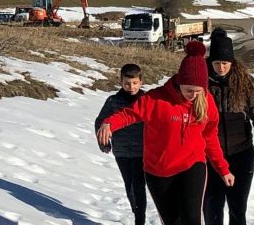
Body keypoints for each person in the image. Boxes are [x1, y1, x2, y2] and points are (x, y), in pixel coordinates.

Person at [99, 41, 234, 225]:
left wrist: (223, 168)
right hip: (158, 169)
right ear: (180, 82)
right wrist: (109, 124)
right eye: (189, 90)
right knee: (173, 221)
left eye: (198, 91)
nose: (193, 95)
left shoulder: (206, 102)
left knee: (191, 219)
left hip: (192, 164)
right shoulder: (156, 99)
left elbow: (210, 137)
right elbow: (128, 115)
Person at [202, 30, 254, 225]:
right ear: (210, 62)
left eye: (225, 63)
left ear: (232, 62)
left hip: (241, 155)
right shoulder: (202, 84)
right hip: (210, 156)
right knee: (212, 208)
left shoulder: (246, 82)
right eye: (217, 63)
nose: (221, 67)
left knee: (238, 208)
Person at [94, 64, 149, 224]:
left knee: (139, 186)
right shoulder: (113, 101)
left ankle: (140, 218)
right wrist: (104, 142)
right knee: (129, 185)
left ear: (141, 82)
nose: (131, 87)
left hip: (142, 151)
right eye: (126, 83)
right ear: (121, 82)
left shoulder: (147, 100)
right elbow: (100, 121)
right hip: (122, 151)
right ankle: (136, 210)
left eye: (134, 83)